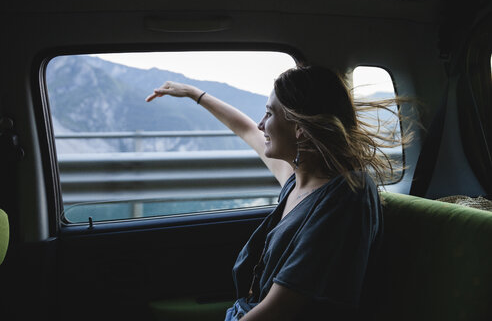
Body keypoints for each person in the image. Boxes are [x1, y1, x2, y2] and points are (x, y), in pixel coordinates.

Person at [146, 66, 404, 321]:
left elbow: (279, 310)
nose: (261, 124)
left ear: (300, 127)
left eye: (269, 114)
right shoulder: (297, 182)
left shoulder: (346, 195)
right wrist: (194, 94)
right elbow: (245, 129)